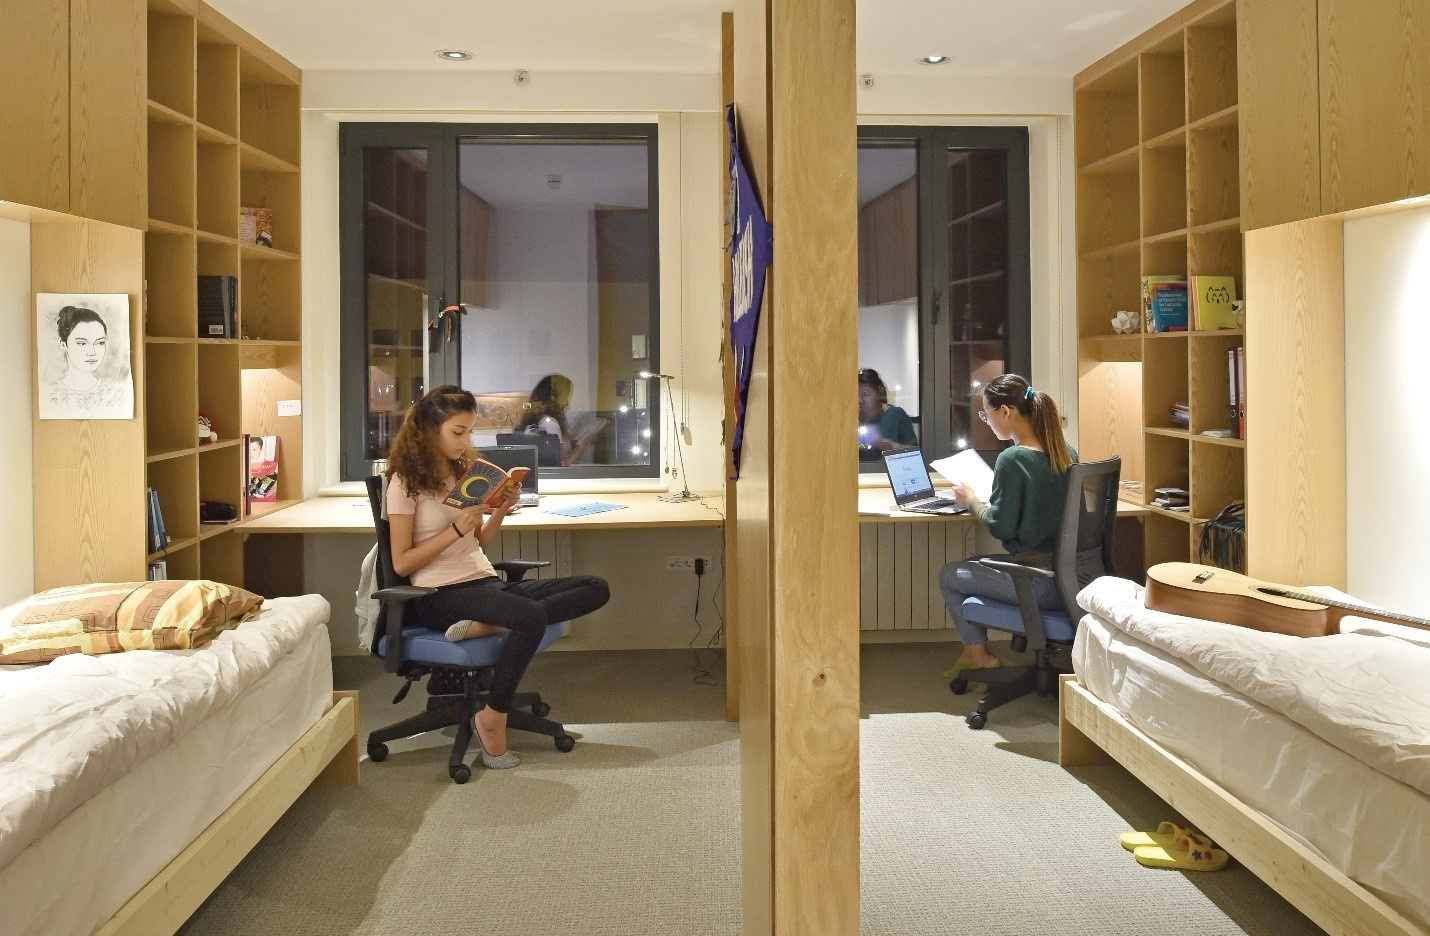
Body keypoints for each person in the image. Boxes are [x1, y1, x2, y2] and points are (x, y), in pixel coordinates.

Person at [385, 385, 610, 768]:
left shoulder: (460, 474)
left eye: (470, 431)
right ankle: (493, 716)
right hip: (438, 595)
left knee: (595, 588)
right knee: (531, 616)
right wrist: (455, 530)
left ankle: (486, 626)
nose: (466, 441)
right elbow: (402, 564)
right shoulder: (405, 483)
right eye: (458, 431)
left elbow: (478, 544)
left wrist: (501, 510)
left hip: (483, 583)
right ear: (430, 429)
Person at [938, 374, 1077, 681]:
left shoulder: (1012, 459)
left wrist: (972, 501)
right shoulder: (1065, 451)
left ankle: (978, 656)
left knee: (950, 575)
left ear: (1005, 411)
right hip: (1071, 579)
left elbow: (1000, 528)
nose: (987, 421)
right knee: (974, 563)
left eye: (986, 414)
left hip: (1040, 584)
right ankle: (974, 655)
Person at [48, 305, 131, 414]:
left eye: (100, 343)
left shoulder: (116, 395)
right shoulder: (49, 394)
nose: (92, 352)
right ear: (63, 344)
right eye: (82, 343)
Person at [516, 373, 595, 466]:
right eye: (566, 398)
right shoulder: (550, 424)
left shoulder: (539, 420)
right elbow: (563, 464)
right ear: (556, 398)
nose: (568, 405)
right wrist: (583, 444)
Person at [857, 368, 917, 459]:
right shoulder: (859, 418)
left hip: (889, 466)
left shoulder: (896, 414)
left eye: (866, 394)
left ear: (879, 391)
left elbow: (914, 451)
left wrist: (892, 446)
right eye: (857, 395)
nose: (860, 400)